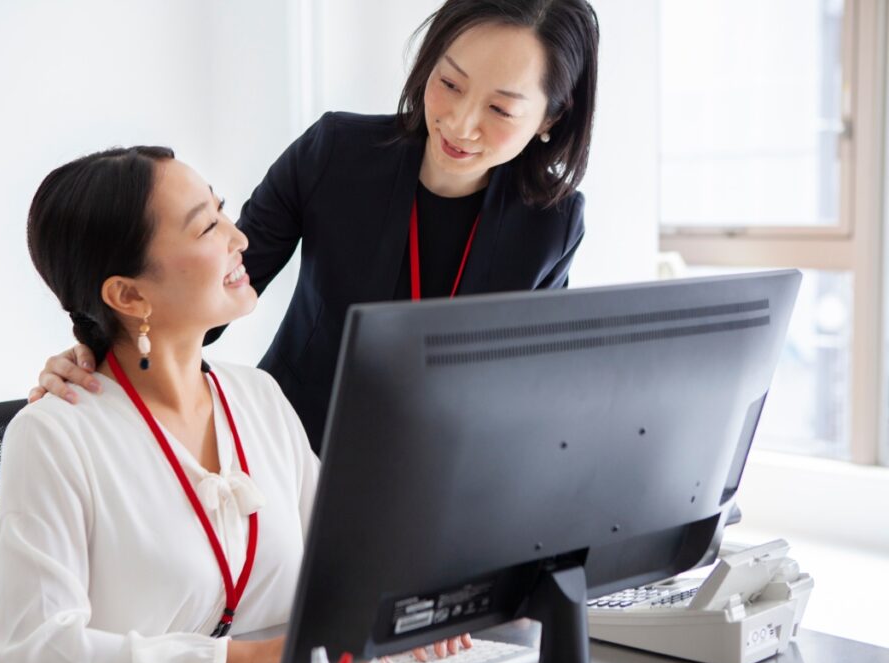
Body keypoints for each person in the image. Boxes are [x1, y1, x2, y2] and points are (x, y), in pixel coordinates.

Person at [31, 0, 599, 453]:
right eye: (449, 83)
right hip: (291, 448)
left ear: (550, 118)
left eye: (501, 110)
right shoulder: (336, 153)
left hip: (440, 478)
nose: (460, 122)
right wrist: (99, 358)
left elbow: (532, 387)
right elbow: (212, 286)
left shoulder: (551, 223)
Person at [0, 147, 320, 663]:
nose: (239, 239)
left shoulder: (259, 398)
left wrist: (421, 619)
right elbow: (36, 657)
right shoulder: (52, 436)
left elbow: (349, 563)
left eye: (222, 210)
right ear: (128, 295)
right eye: (207, 226)